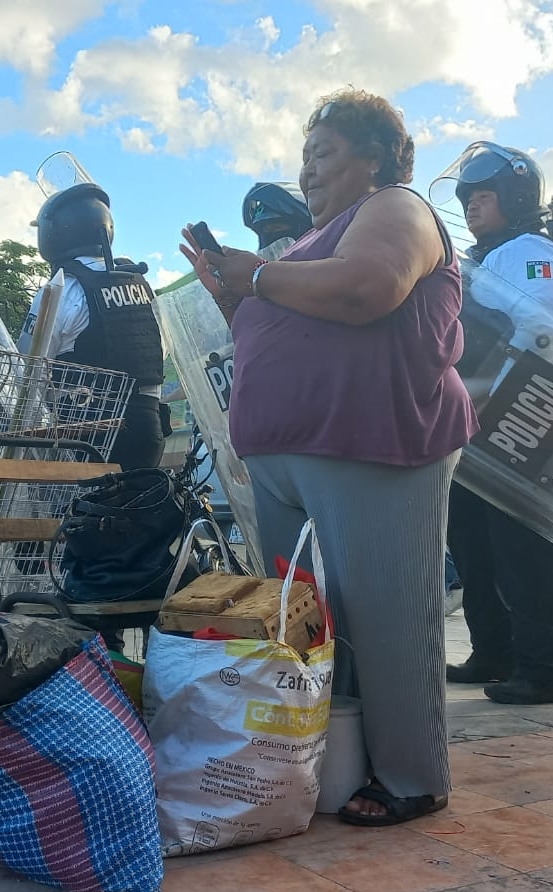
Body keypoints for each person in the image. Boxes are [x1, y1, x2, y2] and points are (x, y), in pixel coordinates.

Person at [181, 89, 475, 827]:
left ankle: (412, 773)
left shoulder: (394, 208)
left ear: (374, 158)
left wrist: (257, 278)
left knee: (384, 613)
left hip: (372, 441)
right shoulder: (306, 246)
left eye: (324, 155)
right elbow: (288, 327)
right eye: (304, 159)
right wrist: (234, 295)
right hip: (290, 457)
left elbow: (371, 288)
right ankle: (327, 760)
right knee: (309, 625)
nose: (307, 174)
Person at [438, 141, 553, 705]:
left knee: (524, 543)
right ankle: (494, 651)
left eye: (484, 195)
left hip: (528, 412)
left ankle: (545, 669)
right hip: (484, 420)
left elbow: (543, 327)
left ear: (516, 198)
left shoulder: (529, 250)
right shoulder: (488, 257)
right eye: (467, 197)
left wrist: (491, 392)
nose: (472, 205)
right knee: (474, 541)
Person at [22, 173, 168, 473]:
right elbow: (162, 351)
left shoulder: (62, 289)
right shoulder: (141, 286)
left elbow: (28, 369)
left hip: (88, 437)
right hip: (149, 431)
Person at [242, 181, 312, 250]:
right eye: (266, 229)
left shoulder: (321, 254)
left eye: (277, 227)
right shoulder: (260, 261)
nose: (269, 235)